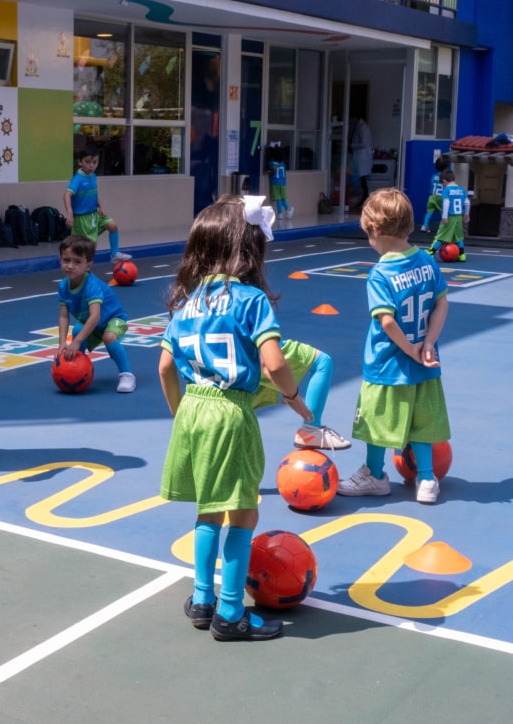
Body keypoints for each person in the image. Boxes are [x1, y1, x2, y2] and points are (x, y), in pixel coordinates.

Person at [158, 194, 313, 641]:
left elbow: (166, 369)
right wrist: (294, 397)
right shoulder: (251, 301)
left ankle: (202, 598)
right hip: (231, 412)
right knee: (243, 513)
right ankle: (230, 613)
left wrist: (181, 414)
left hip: (194, 408)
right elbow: (275, 365)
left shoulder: (185, 304)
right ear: (248, 247)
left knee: (208, 509)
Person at [337, 188, 450, 504]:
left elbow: (386, 321)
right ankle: (426, 479)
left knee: (376, 419)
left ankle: (374, 474)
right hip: (425, 363)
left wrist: (408, 348)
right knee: (421, 421)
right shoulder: (427, 262)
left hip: (388, 363)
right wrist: (426, 344)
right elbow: (442, 304)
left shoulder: (381, 273)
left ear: (373, 230)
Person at [57, 235, 136, 393]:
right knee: (77, 331)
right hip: (92, 323)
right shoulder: (63, 286)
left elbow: (95, 316)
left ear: (88, 265)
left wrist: (77, 342)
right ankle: (78, 369)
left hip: (113, 319)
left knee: (108, 337)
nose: (70, 266)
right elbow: (63, 316)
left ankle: (127, 374)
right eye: (66, 260)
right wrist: (62, 343)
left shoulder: (92, 286)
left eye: (77, 261)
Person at [253, 339, 351, 450]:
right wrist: (291, 395)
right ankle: (311, 428)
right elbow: (269, 364)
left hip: (234, 359)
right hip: (253, 347)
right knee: (321, 361)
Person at [63, 145, 132, 262]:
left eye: (94, 162)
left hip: (94, 215)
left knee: (113, 226)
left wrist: (101, 207)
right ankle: (74, 263)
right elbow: (66, 195)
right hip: (82, 219)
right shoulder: (78, 179)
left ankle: (114, 254)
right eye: (88, 162)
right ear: (80, 162)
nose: (91, 166)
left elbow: (94, 194)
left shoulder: (93, 176)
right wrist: (69, 213)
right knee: (88, 248)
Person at [427, 169, 469, 262]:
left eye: (442, 184)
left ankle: (431, 252)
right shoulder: (461, 189)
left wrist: (444, 216)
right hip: (459, 216)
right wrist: (466, 214)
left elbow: (446, 202)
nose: (443, 186)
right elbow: (467, 202)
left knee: (441, 235)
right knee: (459, 236)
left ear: (444, 181)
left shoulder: (447, 190)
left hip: (450, 216)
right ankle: (462, 255)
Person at [420, 154, 450, 233]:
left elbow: (431, 185)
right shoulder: (446, 177)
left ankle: (424, 226)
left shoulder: (433, 176)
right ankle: (441, 228)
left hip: (432, 196)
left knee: (429, 212)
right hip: (441, 197)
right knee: (443, 213)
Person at [348, 113, 372, 208]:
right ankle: (362, 199)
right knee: (361, 179)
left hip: (363, 157)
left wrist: (352, 145)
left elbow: (364, 143)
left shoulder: (363, 127)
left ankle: (364, 199)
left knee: (363, 181)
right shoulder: (358, 126)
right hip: (359, 157)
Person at [265, 143, 294, 220]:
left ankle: (280, 213)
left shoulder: (271, 163)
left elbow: (273, 171)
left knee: (278, 198)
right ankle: (288, 209)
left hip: (275, 182)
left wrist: (268, 173)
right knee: (283, 198)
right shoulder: (283, 163)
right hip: (283, 182)